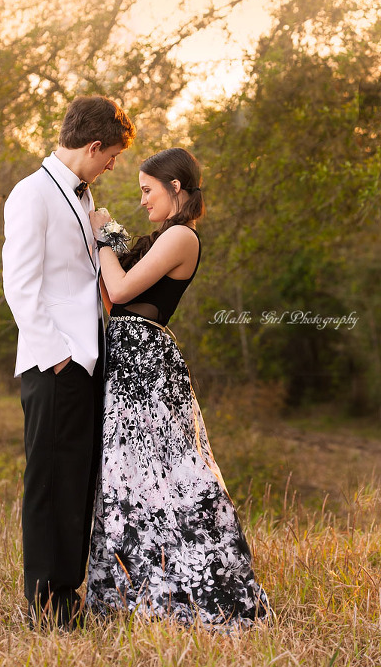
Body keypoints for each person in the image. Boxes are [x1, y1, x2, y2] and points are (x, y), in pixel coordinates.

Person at [86, 147, 270, 631]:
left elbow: (122, 290)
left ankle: (209, 591)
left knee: (174, 475)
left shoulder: (183, 237)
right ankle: (141, 597)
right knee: (129, 477)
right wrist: (106, 239)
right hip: (129, 365)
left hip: (148, 366)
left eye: (148, 191)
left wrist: (102, 228)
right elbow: (117, 282)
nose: (143, 200)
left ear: (176, 188)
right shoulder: (161, 238)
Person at [2, 95, 135, 628]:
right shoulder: (30, 194)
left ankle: (68, 595)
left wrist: (106, 226)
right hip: (53, 364)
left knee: (77, 481)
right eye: (113, 157)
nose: (113, 166)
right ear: (94, 145)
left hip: (87, 359)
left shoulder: (83, 198)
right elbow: (20, 287)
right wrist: (58, 359)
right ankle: (45, 606)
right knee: (51, 482)